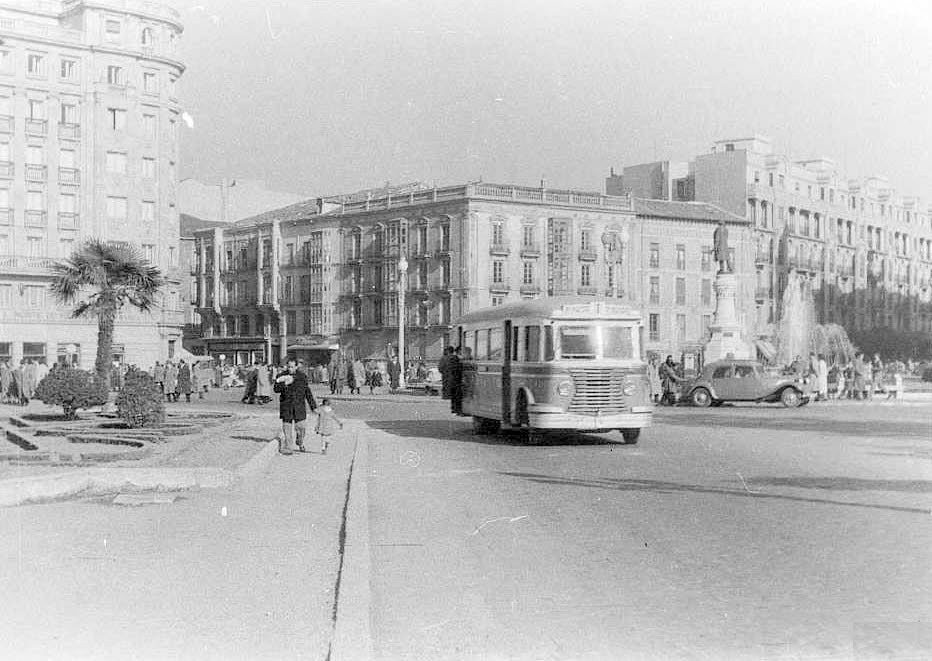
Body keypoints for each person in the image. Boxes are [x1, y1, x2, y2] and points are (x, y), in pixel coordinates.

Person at [274, 358, 318, 455]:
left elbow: (307, 392)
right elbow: (276, 389)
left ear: (297, 366)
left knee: (301, 427)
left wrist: (313, 406)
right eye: (288, 367)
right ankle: (289, 447)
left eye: (292, 367)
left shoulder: (302, 377)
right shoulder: (281, 375)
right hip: (286, 406)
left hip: (299, 406)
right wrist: (284, 384)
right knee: (287, 428)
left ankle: (300, 441)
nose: (290, 369)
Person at [449, 347, 464, 414]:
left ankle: (455, 408)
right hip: (455, 379)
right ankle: (456, 409)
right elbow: (455, 368)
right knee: (456, 395)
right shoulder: (454, 358)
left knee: (456, 395)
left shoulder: (456, 358)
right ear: (458, 351)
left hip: (455, 379)